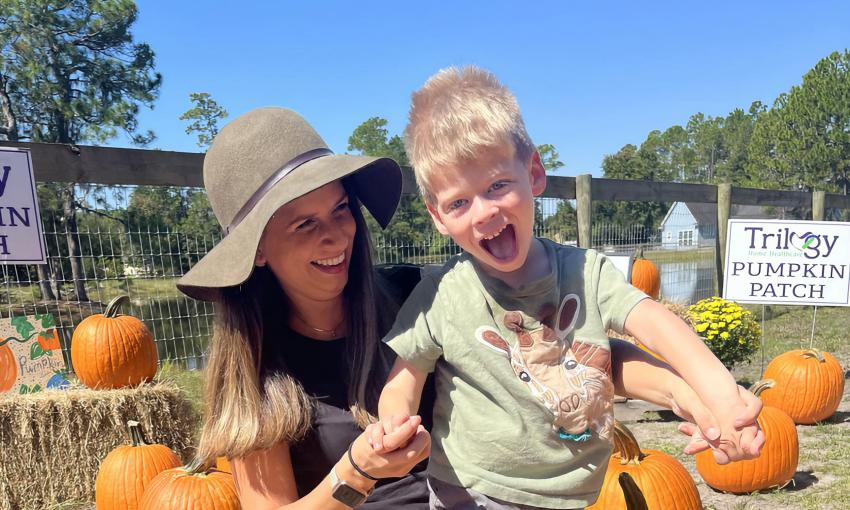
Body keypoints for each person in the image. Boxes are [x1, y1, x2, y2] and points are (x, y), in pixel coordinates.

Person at [374, 66, 765, 510]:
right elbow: (404, 380)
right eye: (459, 202)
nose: (482, 212)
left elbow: (655, 323)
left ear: (534, 173)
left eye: (497, 185)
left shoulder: (586, 272)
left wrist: (718, 395)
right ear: (438, 216)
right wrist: (396, 423)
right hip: (472, 491)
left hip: (574, 495)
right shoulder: (441, 294)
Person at [176, 107, 433, 509]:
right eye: (305, 225)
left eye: (341, 209)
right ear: (258, 250)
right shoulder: (255, 365)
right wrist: (357, 473)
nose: (336, 236)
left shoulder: (417, 297)